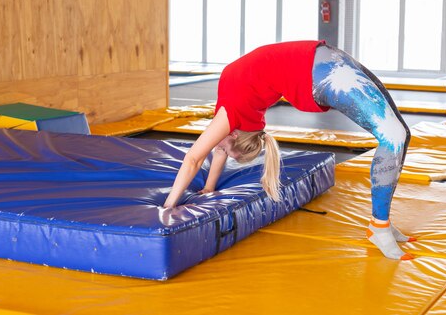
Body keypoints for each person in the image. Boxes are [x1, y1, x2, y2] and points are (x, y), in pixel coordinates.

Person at [163, 40, 415, 260]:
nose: (221, 151)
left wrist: (168, 205)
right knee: (395, 135)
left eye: (228, 152)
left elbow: (194, 158)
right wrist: (208, 188)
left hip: (324, 65)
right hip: (325, 64)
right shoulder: (237, 119)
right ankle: (379, 225)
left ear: (234, 135)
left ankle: (381, 225)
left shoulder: (233, 117)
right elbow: (219, 151)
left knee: (400, 133)